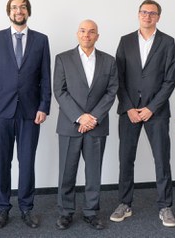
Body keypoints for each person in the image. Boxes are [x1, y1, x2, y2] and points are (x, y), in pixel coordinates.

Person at [0, 0, 51, 229]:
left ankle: (26, 208)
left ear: (28, 11)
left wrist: (44, 106)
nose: (18, 11)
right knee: (3, 161)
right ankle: (3, 207)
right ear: (8, 12)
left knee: (27, 162)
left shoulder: (41, 40)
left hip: (31, 113)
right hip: (0, 113)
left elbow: (45, 77)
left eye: (22, 7)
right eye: (14, 7)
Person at [110, 0, 175, 227]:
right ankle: (124, 203)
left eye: (152, 13)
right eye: (143, 12)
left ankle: (165, 207)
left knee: (162, 159)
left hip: (155, 111)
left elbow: (170, 81)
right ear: (138, 14)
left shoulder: (168, 42)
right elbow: (117, 78)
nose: (147, 16)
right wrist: (129, 107)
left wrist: (151, 108)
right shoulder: (125, 41)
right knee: (126, 159)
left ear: (158, 17)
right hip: (129, 112)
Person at [53, 20, 118, 231]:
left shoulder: (109, 61)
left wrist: (94, 118)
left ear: (97, 36)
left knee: (93, 172)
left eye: (91, 32)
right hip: (70, 124)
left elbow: (111, 91)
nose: (87, 35)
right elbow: (59, 91)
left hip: (97, 126)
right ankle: (65, 212)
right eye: (83, 31)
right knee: (66, 172)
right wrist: (80, 117)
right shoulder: (63, 59)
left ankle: (91, 212)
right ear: (77, 34)